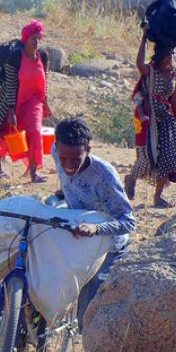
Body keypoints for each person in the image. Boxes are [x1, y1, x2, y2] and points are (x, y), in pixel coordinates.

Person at [51, 117, 136, 328]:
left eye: (75, 160)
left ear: (88, 149)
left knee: (89, 300)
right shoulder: (56, 152)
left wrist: (96, 228)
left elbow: (128, 221)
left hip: (107, 244)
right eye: (64, 159)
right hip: (77, 231)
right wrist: (64, 191)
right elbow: (68, 176)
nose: (69, 166)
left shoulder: (104, 176)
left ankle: (85, 334)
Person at [124, 26, 176, 208]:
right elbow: (139, 64)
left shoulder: (175, 74)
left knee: (169, 158)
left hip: (167, 121)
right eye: (168, 55)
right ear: (160, 56)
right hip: (149, 120)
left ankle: (157, 198)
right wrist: (144, 38)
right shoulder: (150, 71)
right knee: (148, 159)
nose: (171, 59)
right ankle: (131, 178)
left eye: (173, 55)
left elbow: (174, 100)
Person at [0, 20, 53, 183]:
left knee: (35, 132)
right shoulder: (15, 58)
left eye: (39, 38)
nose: (37, 42)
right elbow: (10, 84)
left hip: (34, 101)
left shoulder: (43, 55)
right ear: (26, 39)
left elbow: (45, 80)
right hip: (13, 101)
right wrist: (11, 111)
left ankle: (34, 172)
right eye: (34, 38)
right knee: (4, 135)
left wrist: (45, 102)